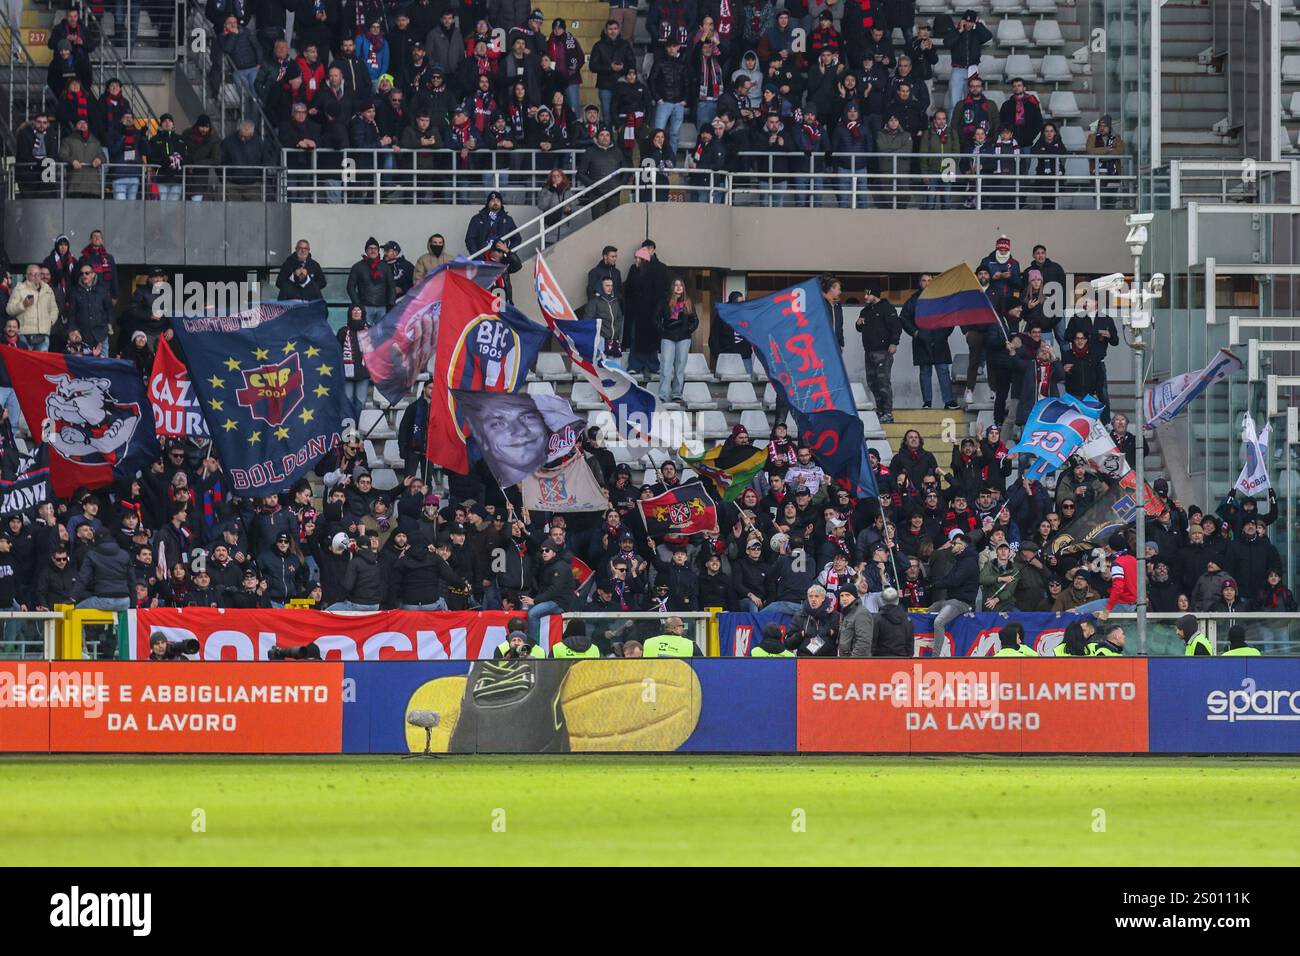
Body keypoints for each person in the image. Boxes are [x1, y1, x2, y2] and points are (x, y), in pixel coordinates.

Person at [900, 273, 958, 410]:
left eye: (929, 280)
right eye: (924, 281)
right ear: (920, 283)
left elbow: (951, 318)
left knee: (943, 371)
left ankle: (949, 401)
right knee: (925, 372)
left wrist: (943, 335)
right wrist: (915, 332)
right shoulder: (913, 300)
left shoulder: (943, 299)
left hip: (940, 341)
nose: (927, 283)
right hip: (921, 341)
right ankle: (927, 402)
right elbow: (903, 318)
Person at [855, 286, 901, 423]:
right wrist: (858, 324)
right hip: (869, 352)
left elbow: (896, 327)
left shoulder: (887, 308)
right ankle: (880, 410)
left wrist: (894, 343)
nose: (865, 297)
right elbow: (859, 328)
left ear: (874, 294)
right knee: (872, 383)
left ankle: (888, 412)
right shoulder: (865, 310)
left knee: (883, 382)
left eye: (867, 294)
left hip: (883, 351)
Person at [655, 277, 697, 403]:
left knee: (679, 367)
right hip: (668, 337)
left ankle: (676, 394)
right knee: (666, 367)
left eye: (681, 285)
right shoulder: (665, 301)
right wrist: (662, 330)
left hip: (683, 338)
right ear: (672, 287)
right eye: (676, 285)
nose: (679, 287)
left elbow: (695, 320)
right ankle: (663, 394)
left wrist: (688, 330)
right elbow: (656, 318)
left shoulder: (688, 302)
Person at [873, 587, 914, 657]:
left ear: (882, 600)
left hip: (880, 661)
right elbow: (910, 645)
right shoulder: (907, 619)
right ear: (898, 600)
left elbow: (873, 643)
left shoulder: (877, 619)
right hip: (902, 661)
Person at [835, 586, 874, 657]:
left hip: (856, 663)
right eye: (842, 596)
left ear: (855, 596)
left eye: (847, 595)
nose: (844, 598)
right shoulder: (846, 612)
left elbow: (863, 642)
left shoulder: (862, 613)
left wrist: (853, 661)